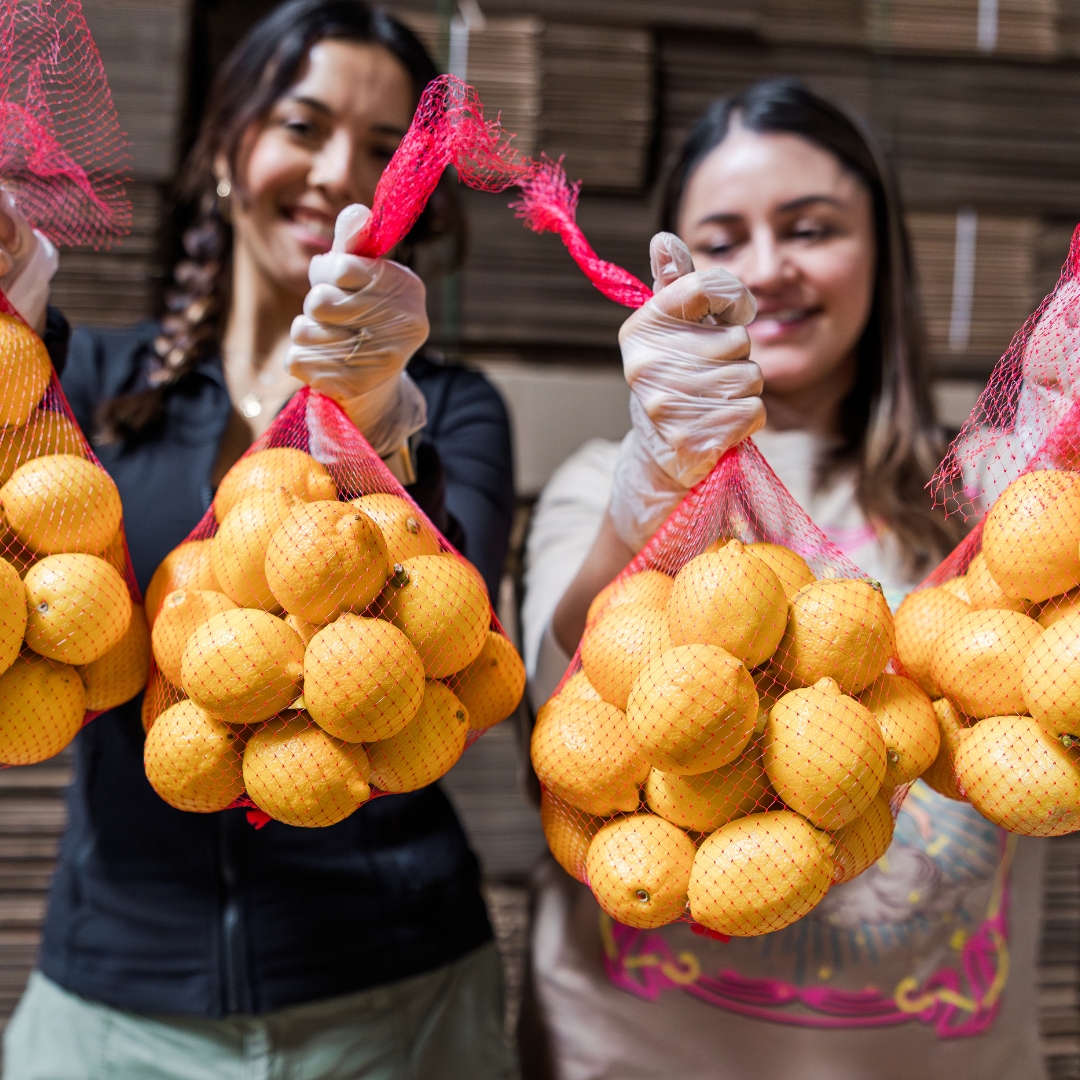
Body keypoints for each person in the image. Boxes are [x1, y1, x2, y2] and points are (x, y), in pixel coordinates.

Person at [1, 2, 517, 1077]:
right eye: (303, 124)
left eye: (386, 151)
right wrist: (14, 303)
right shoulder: (88, 389)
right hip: (110, 1009)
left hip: (396, 1002)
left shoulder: (455, 408)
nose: (341, 172)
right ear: (228, 149)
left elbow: (455, 636)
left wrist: (376, 420)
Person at [520, 79, 1046, 1080]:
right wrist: (652, 495)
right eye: (722, 240)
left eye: (810, 228)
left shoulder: (991, 495)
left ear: (880, 253)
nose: (768, 269)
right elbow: (572, 711)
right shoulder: (606, 484)